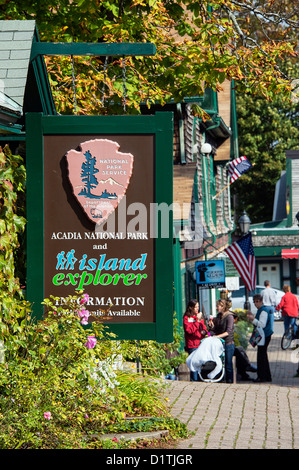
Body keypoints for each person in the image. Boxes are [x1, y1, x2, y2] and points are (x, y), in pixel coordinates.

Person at [247, 293, 274, 383]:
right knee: (263, 356)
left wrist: (252, 319)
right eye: (254, 302)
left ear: (261, 301)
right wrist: (253, 318)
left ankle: (262, 376)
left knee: (261, 356)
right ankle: (266, 376)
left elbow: (262, 324)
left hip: (264, 335)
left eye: (257, 301)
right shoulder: (261, 310)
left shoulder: (263, 311)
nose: (255, 303)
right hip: (264, 335)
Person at [208, 299, 235, 383]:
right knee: (219, 363)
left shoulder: (229, 316)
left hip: (228, 344)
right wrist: (211, 328)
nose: (216, 308)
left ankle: (229, 382)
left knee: (228, 365)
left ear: (223, 307)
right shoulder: (219, 316)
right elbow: (215, 329)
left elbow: (228, 332)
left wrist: (216, 336)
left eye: (218, 306)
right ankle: (221, 381)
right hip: (219, 344)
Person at [183, 299, 208, 381]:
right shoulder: (187, 317)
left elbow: (205, 329)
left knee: (200, 365)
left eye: (198, 307)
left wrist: (205, 332)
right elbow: (189, 331)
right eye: (195, 307)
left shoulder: (198, 316)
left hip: (200, 344)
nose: (197, 309)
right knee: (194, 365)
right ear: (191, 307)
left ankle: (199, 381)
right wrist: (197, 321)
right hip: (192, 345)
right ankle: (194, 382)